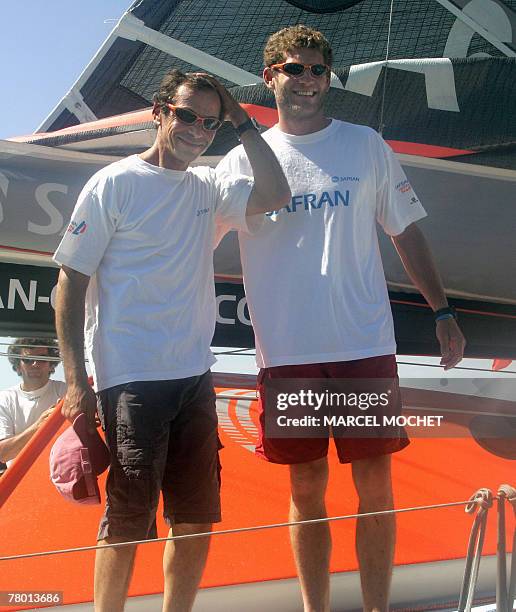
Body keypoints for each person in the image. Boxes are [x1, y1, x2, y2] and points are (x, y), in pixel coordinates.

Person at [217, 25, 466, 612]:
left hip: (361, 344)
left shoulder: (365, 144)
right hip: (287, 353)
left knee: (375, 486)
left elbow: (404, 230)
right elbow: (191, 240)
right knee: (306, 489)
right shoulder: (238, 160)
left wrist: (444, 310)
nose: (307, 81)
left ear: (327, 79)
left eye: (317, 71)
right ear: (269, 76)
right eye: (294, 69)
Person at [53, 69, 289, 612]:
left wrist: (243, 121)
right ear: (160, 112)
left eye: (209, 122)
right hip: (130, 375)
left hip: (193, 375)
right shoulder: (114, 182)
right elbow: (69, 282)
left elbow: (278, 191)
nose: (197, 130)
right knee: (130, 517)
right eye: (186, 116)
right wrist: (75, 382)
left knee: (197, 515)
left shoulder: (209, 187)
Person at [0, 338, 65, 468]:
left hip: (63, 476)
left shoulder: (67, 392)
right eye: (28, 360)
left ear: (51, 364)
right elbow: (3, 454)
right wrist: (38, 426)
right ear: (18, 366)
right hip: (23, 481)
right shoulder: (5, 399)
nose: (35, 364)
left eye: (42, 358)